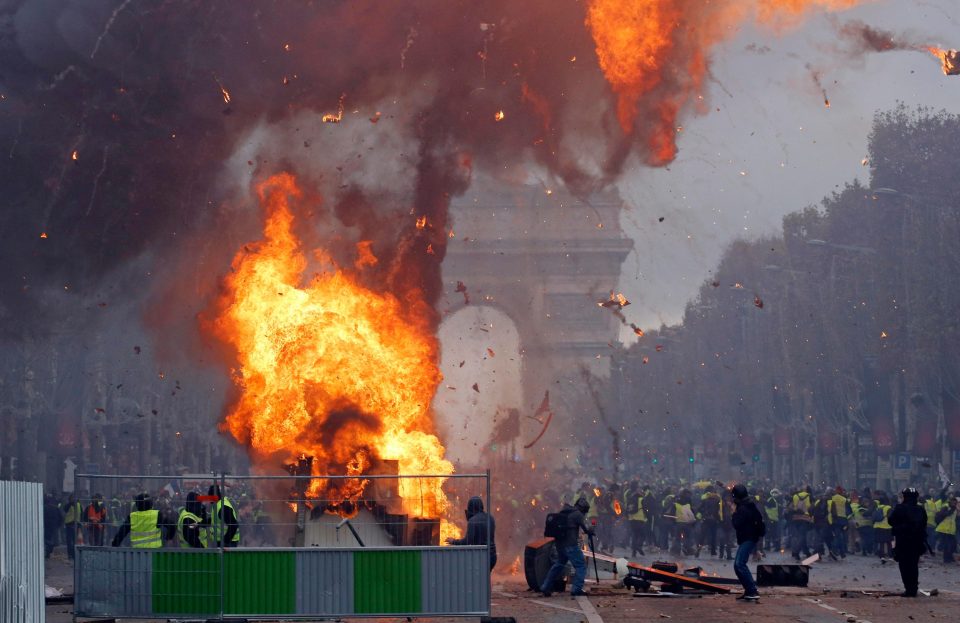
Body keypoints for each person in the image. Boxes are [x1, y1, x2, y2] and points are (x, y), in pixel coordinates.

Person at [540, 496, 594, 598]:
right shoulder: (577, 514)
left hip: (560, 544)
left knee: (559, 564)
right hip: (570, 545)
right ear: (583, 508)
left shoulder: (564, 511)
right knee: (581, 565)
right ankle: (576, 589)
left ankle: (545, 587)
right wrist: (592, 530)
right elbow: (587, 528)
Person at [889, 487, 928, 597]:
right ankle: (913, 588)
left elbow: (891, 520)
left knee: (904, 565)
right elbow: (924, 523)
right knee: (913, 565)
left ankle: (909, 589)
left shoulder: (900, 508)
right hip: (917, 542)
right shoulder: (920, 509)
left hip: (903, 541)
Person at [730, 484, 764, 601]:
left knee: (739, 564)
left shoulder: (743, 509)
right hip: (750, 538)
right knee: (739, 564)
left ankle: (752, 591)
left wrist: (733, 512)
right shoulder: (750, 505)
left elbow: (736, 524)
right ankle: (749, 590)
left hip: (748, 538)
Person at [446, 496, 497, 570]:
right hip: (492, 556)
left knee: (476, 579)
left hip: (480, 557)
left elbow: (467, 541)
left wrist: (453, 541)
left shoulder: (473, 521)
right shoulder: (490, 518)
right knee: (485, 579)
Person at [934, 497, 957, 563]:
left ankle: (949, 557)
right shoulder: (946, 507)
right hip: (944, 529)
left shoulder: (954, 509)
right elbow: (943, 514)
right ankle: (946, 559)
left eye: (955, 502)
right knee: (947, 545)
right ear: (950, 501)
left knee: (953, 544)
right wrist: (950, 511)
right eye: (953, 502)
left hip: (951, 530)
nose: (954, 503)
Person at [63, 493, 83, 560]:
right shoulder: (68, 505)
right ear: (70, 499)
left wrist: (80, 524)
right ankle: (70, 555)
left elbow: (81, 514)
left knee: (75, 542)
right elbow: (64, 511)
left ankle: (74, 555)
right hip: (69, 525)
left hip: (76, 525)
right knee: (69, 542)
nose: (74, 499)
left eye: (75, 498)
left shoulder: (78, 505)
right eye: (72, 498)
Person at [43, 493, 63, 558]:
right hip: (54, 526)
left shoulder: (44, 508)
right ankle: (49, 550)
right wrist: (59, 525)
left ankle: (48, 551)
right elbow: (61, 517)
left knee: (47, 539)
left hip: (46, 526)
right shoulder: (55, 508)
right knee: (51, 539)